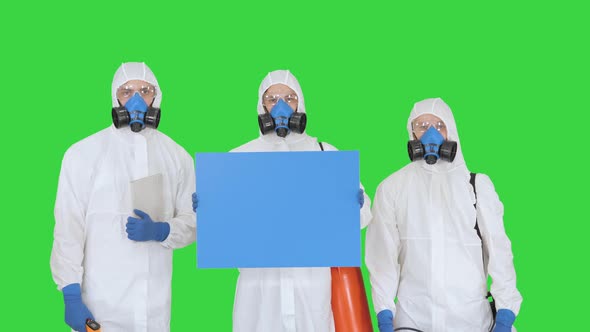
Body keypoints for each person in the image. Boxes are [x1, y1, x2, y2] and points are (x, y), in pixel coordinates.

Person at [193, 70, 372, 331]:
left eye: (289, 97)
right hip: (259, 295)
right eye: (272, 98)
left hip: (311, 291)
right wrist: (207, 211)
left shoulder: (324, 155)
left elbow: (364, 217)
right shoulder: (238, 159)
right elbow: (222, 233)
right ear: (261, 104)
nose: (280, 105)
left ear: (300, 103)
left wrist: (357, 204)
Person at [50, 62, 196, 332]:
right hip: (100, 309)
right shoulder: (82, 154)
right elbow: (68, 227)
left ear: (157, 95)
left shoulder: (178, 157)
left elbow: (194, 220)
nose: (137, 99)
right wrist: (70, 294)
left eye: (145, 90)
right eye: (127, 91)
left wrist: (164, 229)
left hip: (155, 311)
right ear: (114, 97)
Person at [365, 98, 522, 332]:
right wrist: (384, 313)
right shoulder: (392, 187)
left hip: (471, 320)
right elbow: (382, 257)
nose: (431, 133)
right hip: (413, 319)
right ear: (412, 132)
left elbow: (499, 250)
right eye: (422, 125)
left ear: (452, 130)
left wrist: (506, 313)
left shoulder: (476, 186)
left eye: (439, 126)